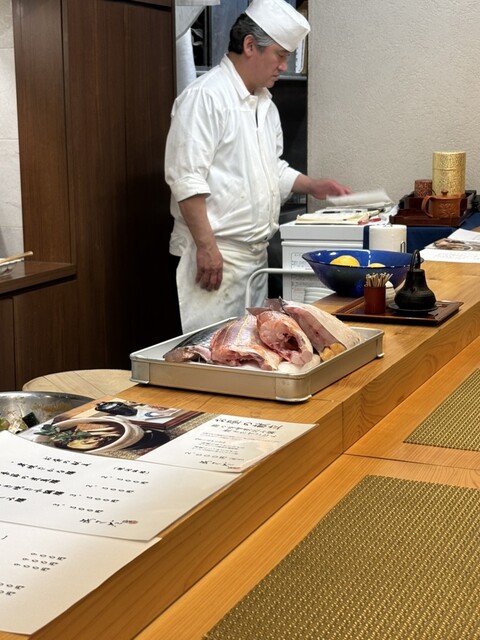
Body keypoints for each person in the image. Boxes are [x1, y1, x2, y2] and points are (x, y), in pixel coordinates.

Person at [165, 0, 351, 334]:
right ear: (250, 46)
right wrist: (207, 247)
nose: (284, 65)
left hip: (255, 260)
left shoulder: (266, 105)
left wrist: (312, 185)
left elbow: (270, 170)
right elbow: (186, 178)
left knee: (249, 350)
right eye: (280, 55)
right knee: (213, 352)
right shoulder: (205, 97)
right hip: (216, 258)